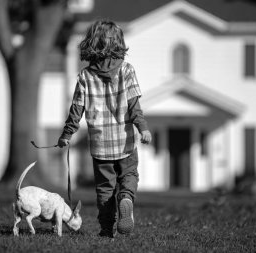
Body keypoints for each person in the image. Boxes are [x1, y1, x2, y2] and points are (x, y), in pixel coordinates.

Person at [58, 19, 152, 238]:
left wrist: (67, 134)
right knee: (129, 174)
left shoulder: (84, 76)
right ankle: (126, 198)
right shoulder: (127, 70)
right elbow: (134, 106)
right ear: (118, 43)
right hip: (125, 141)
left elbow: (76, 110)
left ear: (91, 43)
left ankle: (106, 228)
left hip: (100, 145)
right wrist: (143, 129)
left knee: (104, 189)